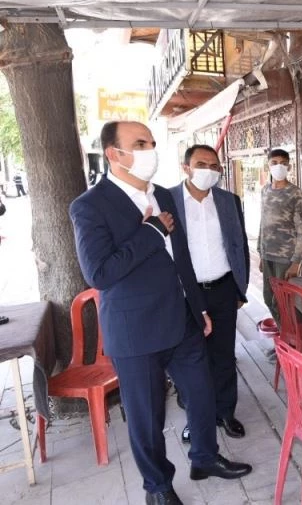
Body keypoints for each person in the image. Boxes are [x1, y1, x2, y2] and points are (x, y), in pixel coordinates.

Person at [70, 121, 252, 505]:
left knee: (201, 393)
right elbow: (99, 273)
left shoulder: (163, 195)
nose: (150, 150)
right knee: (147, 416)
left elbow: (180, 257)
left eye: (151, 142)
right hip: (135, 331)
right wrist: (151, 232)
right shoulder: (90, 206)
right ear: (114, 154)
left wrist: (198, 308)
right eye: (140, 143)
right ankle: (157, 486)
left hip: (182, 319)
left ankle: (204, 458)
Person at [169, 144, 250, 444]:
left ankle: (225, 412)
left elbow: (239, 245)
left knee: (224, 355)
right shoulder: (168, 200)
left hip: (223, 288)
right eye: (201, 164)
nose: (209, 170)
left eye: (214, 166)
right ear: (186, 167)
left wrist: (240, 288)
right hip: (186, 294)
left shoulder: (229, 201)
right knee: (191, 361)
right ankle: (196, 419)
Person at [257, 148, 302, 320]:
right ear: (268, 166)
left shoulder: (295, 193)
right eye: (274, 163)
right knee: (268, 298)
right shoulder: (265, 191)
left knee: (283, 302)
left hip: (286, 258)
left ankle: (292, 335)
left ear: (289, 167)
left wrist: (296, 262)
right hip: (268, 255)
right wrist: (261, 253)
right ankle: (284, 333)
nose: (279, 166)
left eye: (283, 163)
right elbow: (263, 223)